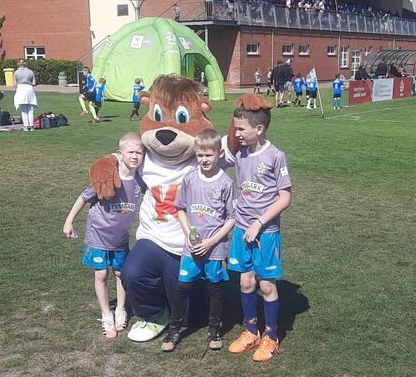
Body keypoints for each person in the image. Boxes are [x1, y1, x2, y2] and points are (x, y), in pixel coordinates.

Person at [226, 97, 292, 362]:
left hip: (264, 232)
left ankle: (272, 338)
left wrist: (259, 222)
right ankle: (251, 331)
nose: (236, 134)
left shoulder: (276, 156)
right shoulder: (240, 154)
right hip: (242, 229)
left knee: (266, 284)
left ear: (259, 130)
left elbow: (285, 198)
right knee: (245, 281)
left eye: (241, 129)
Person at [63, 134, 146, 339]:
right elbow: (83, 197)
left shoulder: (139, 180)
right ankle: (106, 314)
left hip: (120, 239)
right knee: (101, 274)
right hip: (98, 236)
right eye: (130, 152)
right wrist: (69, 220)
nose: (135, 156)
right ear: (119, 154)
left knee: (120, 274)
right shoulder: (107, 176)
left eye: (139, 152)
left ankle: (120, 310)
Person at [160, 129, 236, 353]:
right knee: (182, 287)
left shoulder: (226, 183)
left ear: (219, 154)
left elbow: (232, 218)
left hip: (215, 249)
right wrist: (189, 235)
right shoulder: (190, 179)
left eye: (208, 155)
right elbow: (181, 209)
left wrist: (211, 242)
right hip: (191, 247)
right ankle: (174, 329)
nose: (204, 160)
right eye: (200, 155)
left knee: (215, 288)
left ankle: (214, 330)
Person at [13, 59, 39, 131]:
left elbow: (15, 85)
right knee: (30, 109)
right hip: (29, 89)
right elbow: (34, 83)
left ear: (18, 64)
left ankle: (26, 126)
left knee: (23, 110)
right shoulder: (30, 72)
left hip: (21, 89)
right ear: (25, 63)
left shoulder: (16, 72)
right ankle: (31, 126)